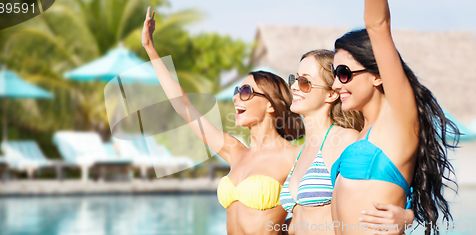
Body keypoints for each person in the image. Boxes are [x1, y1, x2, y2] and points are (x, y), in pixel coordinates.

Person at [142, 7, 304, 234]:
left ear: (270, 104)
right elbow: (184, 107)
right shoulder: (234, 151)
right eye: (237, 90)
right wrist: (150, 49)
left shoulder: (294, 156)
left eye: (246, 91)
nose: (236, 96)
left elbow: (321, 209)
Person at [330, 1, 460, 234]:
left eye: (343, 74)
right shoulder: (362, 132)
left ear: (378, 75)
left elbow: (377, 24)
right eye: (334, 74)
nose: (335, 84)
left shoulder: (398, 123)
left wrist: (408, 216)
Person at [280, 50, 414, 235]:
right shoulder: (301, 150)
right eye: (294, 79)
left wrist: (408, 216)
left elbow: (386, 183)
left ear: (331, 95)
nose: (294, 86)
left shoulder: (346, 140)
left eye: (304, 82)